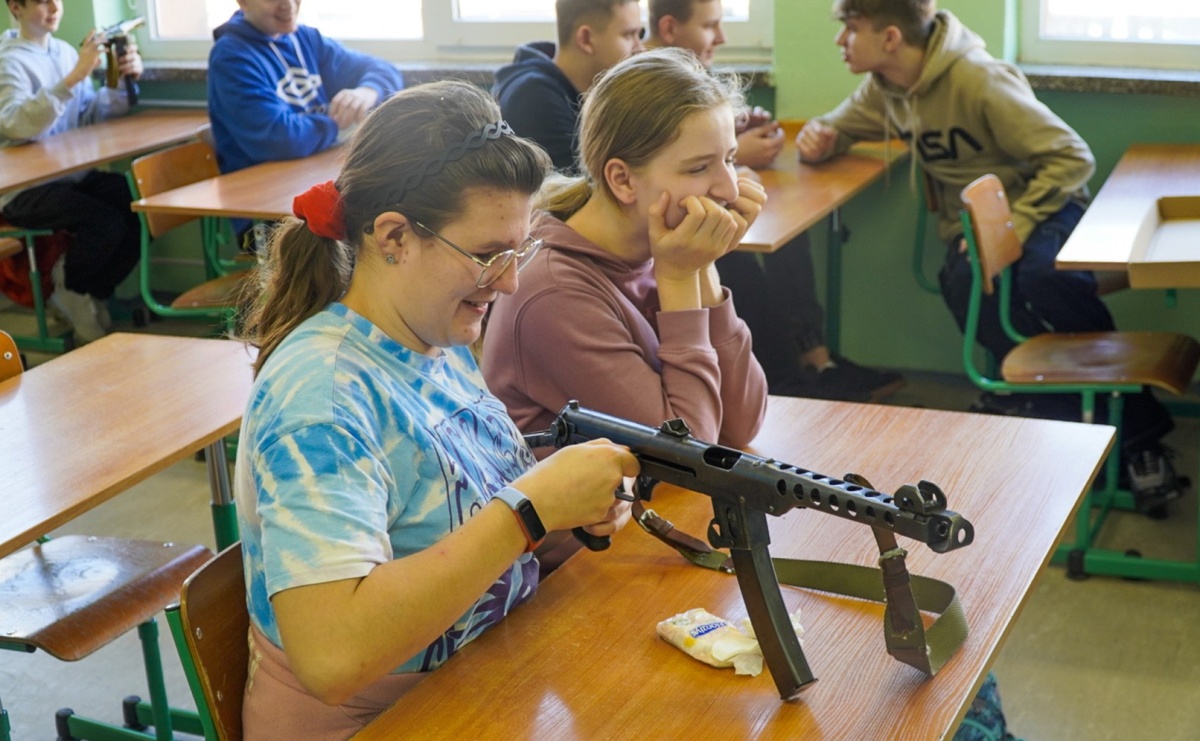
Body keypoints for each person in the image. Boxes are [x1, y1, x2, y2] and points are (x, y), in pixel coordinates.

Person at [234, 80, 638, 739]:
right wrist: (529, 509)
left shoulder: (432, 336)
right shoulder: (322, 399)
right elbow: (334, 654)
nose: (510, 280)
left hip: (481, 686)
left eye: (520, 249)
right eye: (486, 254)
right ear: (393, 237)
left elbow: (454, 529)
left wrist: (569, 508)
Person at [796, 0, 1183, 508]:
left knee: (1049, 279)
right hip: (972, 228)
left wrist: (1015, 225)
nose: (839, 40)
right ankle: (1062, 410)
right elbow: (837, 126)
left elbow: (1071, 158)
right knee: (964, 285)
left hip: (1043, 205)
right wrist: (818, 139)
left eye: (849, 28)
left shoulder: (977, 79)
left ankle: (1137, 433)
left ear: (890, 37)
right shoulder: (887, 89)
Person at [646, 0, 905, 401]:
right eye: (711, 25)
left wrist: (736, 139)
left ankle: (815, 362)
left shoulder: (689, 78)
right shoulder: (649, 84)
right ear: (668, 27)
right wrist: (735, 157)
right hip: (667, 237)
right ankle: (792, 379)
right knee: (741, 257)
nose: (723, 37)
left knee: (783, 233)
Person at [0, 0, 144, 342]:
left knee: (136, 206)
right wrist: (76, 75)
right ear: (16, 7)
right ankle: (70, 288)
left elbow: (90, 114)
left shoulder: (63, 52)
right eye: (41, 1)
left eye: (57, 0)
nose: (53, 8)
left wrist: (123, 80)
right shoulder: (8, 61)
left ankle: (89, 290)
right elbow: (17, 124)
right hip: (23, 188)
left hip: (69, 174)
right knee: (103, 221)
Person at [207, 0, 404, 247]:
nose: (288, 4)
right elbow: (280, 139)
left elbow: (385, 71)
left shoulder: (307, 39)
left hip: (310, 192)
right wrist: (338, 122)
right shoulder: (231, 57)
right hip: (265, 218)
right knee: (371, 244)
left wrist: (367, 92)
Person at [493, 0, 644, 172]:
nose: (639, 49)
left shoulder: (581, 92)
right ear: (586, 39)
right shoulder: (535, 98)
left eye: (640, 34)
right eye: (628, 35)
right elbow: (580, 189)